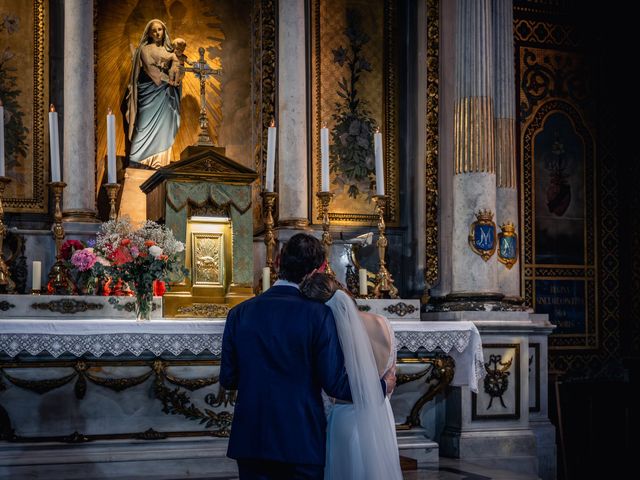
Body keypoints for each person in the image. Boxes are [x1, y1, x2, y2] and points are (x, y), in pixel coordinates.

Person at [220, 233, 395, 480]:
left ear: (279, 262)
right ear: (318, 270)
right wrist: (381, 386)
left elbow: (228, 378)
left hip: (251, 436)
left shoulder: (238, 313)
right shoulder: (318, 315)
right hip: (300, 436)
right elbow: (334, 383)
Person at [300, 273, 402, 480]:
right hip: (381, 414)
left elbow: (329, 383)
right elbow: (391, 374)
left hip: (344, 417)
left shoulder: (330, 333)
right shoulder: (382, 322)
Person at [125, 19, 181, 168]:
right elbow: (153, 73)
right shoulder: (145, 49)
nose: (157, 33)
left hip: (165, 96)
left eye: (160, 30)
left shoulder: (170, 52)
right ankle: (137, 161)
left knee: (164, 129)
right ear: (149, 33)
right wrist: (169, 73)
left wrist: (176, 68)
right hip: (149, 93)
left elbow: (177, 76)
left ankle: (159, 163)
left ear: (164, 31)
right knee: (143, 127)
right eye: (154, 30)